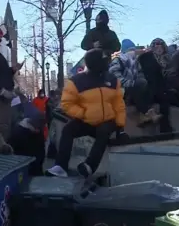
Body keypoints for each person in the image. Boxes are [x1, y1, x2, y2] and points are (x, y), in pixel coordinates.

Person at [46, 48, 126, 178]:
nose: (107, 63)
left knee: (103, 131)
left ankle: (89, 166)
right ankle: (61, 166)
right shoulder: (76, 81)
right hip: (86, 121)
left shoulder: (112, 80)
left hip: (107, 121)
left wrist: (120, 126)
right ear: (97, 63)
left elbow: (119, 104)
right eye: (104, 60)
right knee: (68, 130)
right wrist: (83, 113)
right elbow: (67, 103)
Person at [109, 38, 161, 125]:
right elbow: (114, 76)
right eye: (130, 50)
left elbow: (140, 74)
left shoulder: (135, 62)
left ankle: (144, 114)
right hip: (120, 89)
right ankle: (146, 113)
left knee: (144, 86)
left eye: (133, 50)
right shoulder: (118, 60)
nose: (133, 52)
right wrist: (130, 83)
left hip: (132, 87)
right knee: (137, 87)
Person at [131, 38, 175, 132]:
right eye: (156, 46)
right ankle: (147, 116)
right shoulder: (146, 57)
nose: (159, 48)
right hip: (148, 85)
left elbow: (169, 75)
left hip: (162, 87)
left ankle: (165, 127)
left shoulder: (167, 58)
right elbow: (143, 73)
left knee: (165, 100)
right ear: (153, 47)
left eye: (161, 46)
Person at [7, 111, 46, 175]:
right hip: (23, 169)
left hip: (37, 169)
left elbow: (42, 148)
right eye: (41, 123)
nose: (42, 126)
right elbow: (11, 149)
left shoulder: (38, 131)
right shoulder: (18, 131)